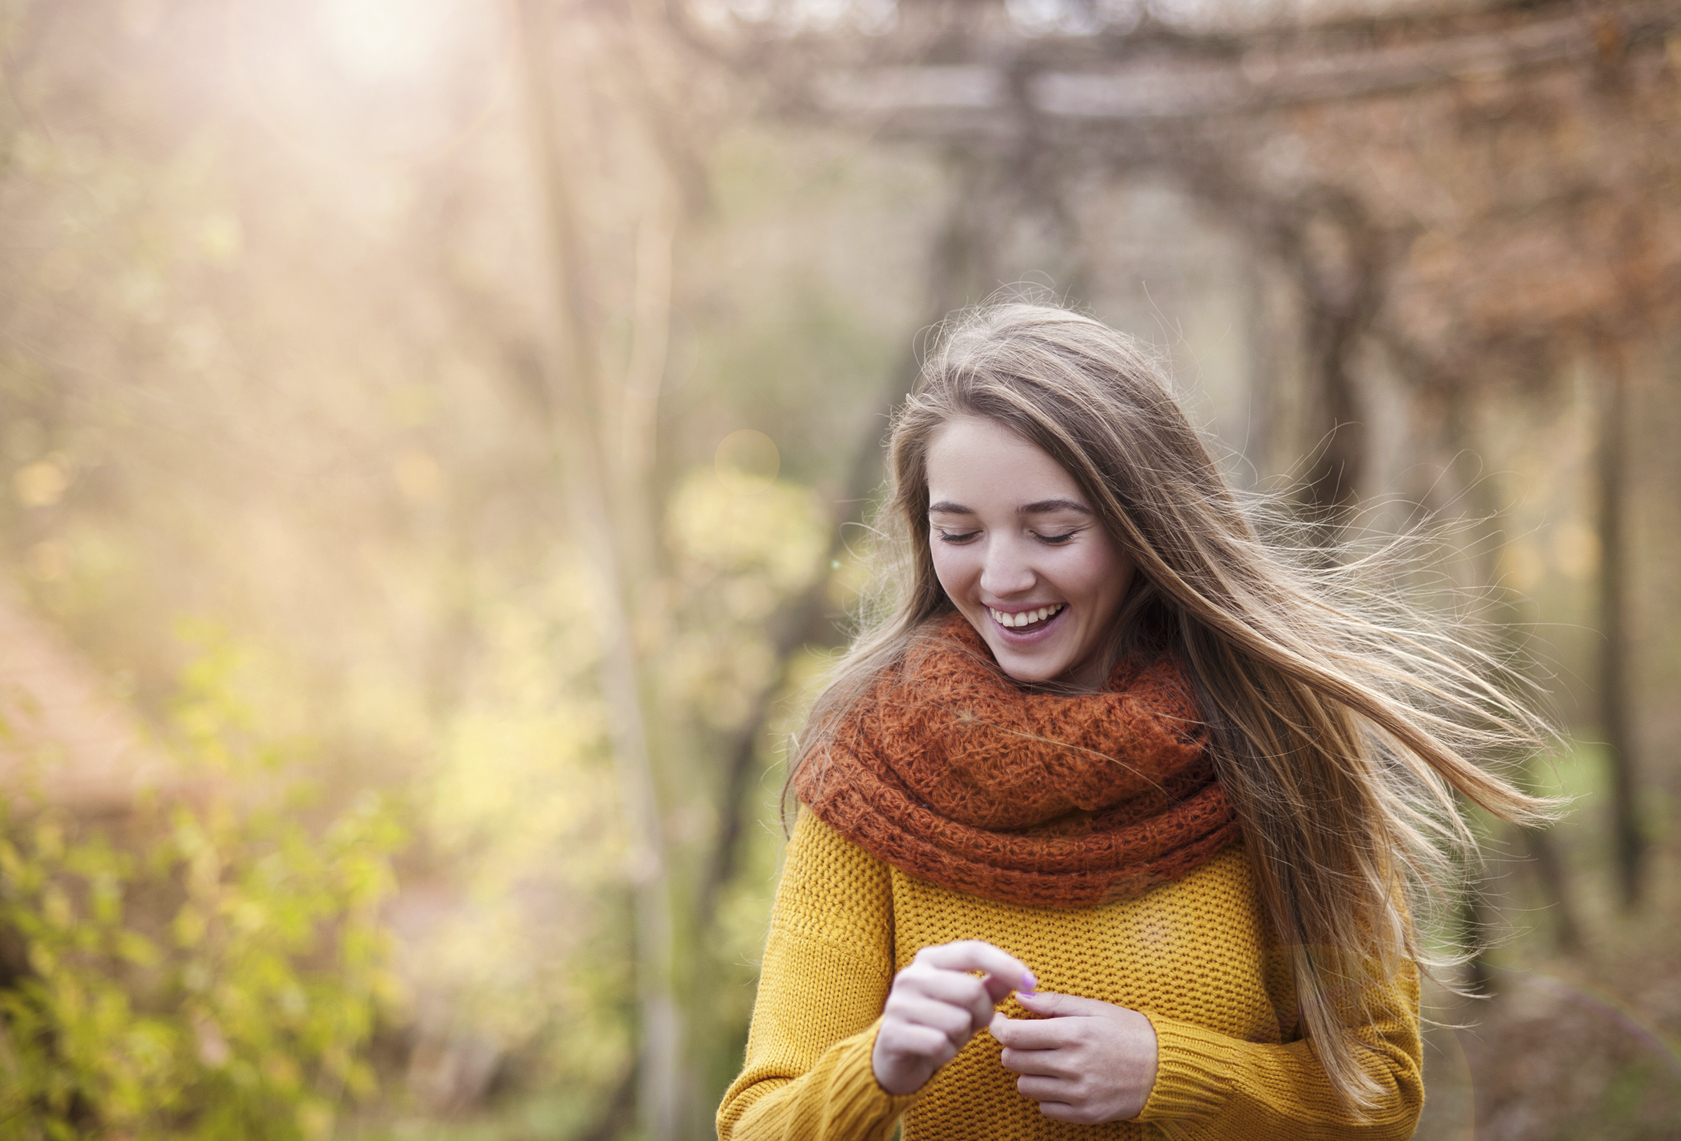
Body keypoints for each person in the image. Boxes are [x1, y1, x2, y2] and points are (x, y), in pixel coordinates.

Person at [716, 302, 1552, 1140]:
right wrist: (875, 1069)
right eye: (958, 530)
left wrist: (1169, 1071)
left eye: (1051, 530)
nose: (1001, 576)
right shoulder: (872, 777)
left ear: (1141, 524)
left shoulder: (1278, 744)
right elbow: (756, 1125)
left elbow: (1380, 1094)